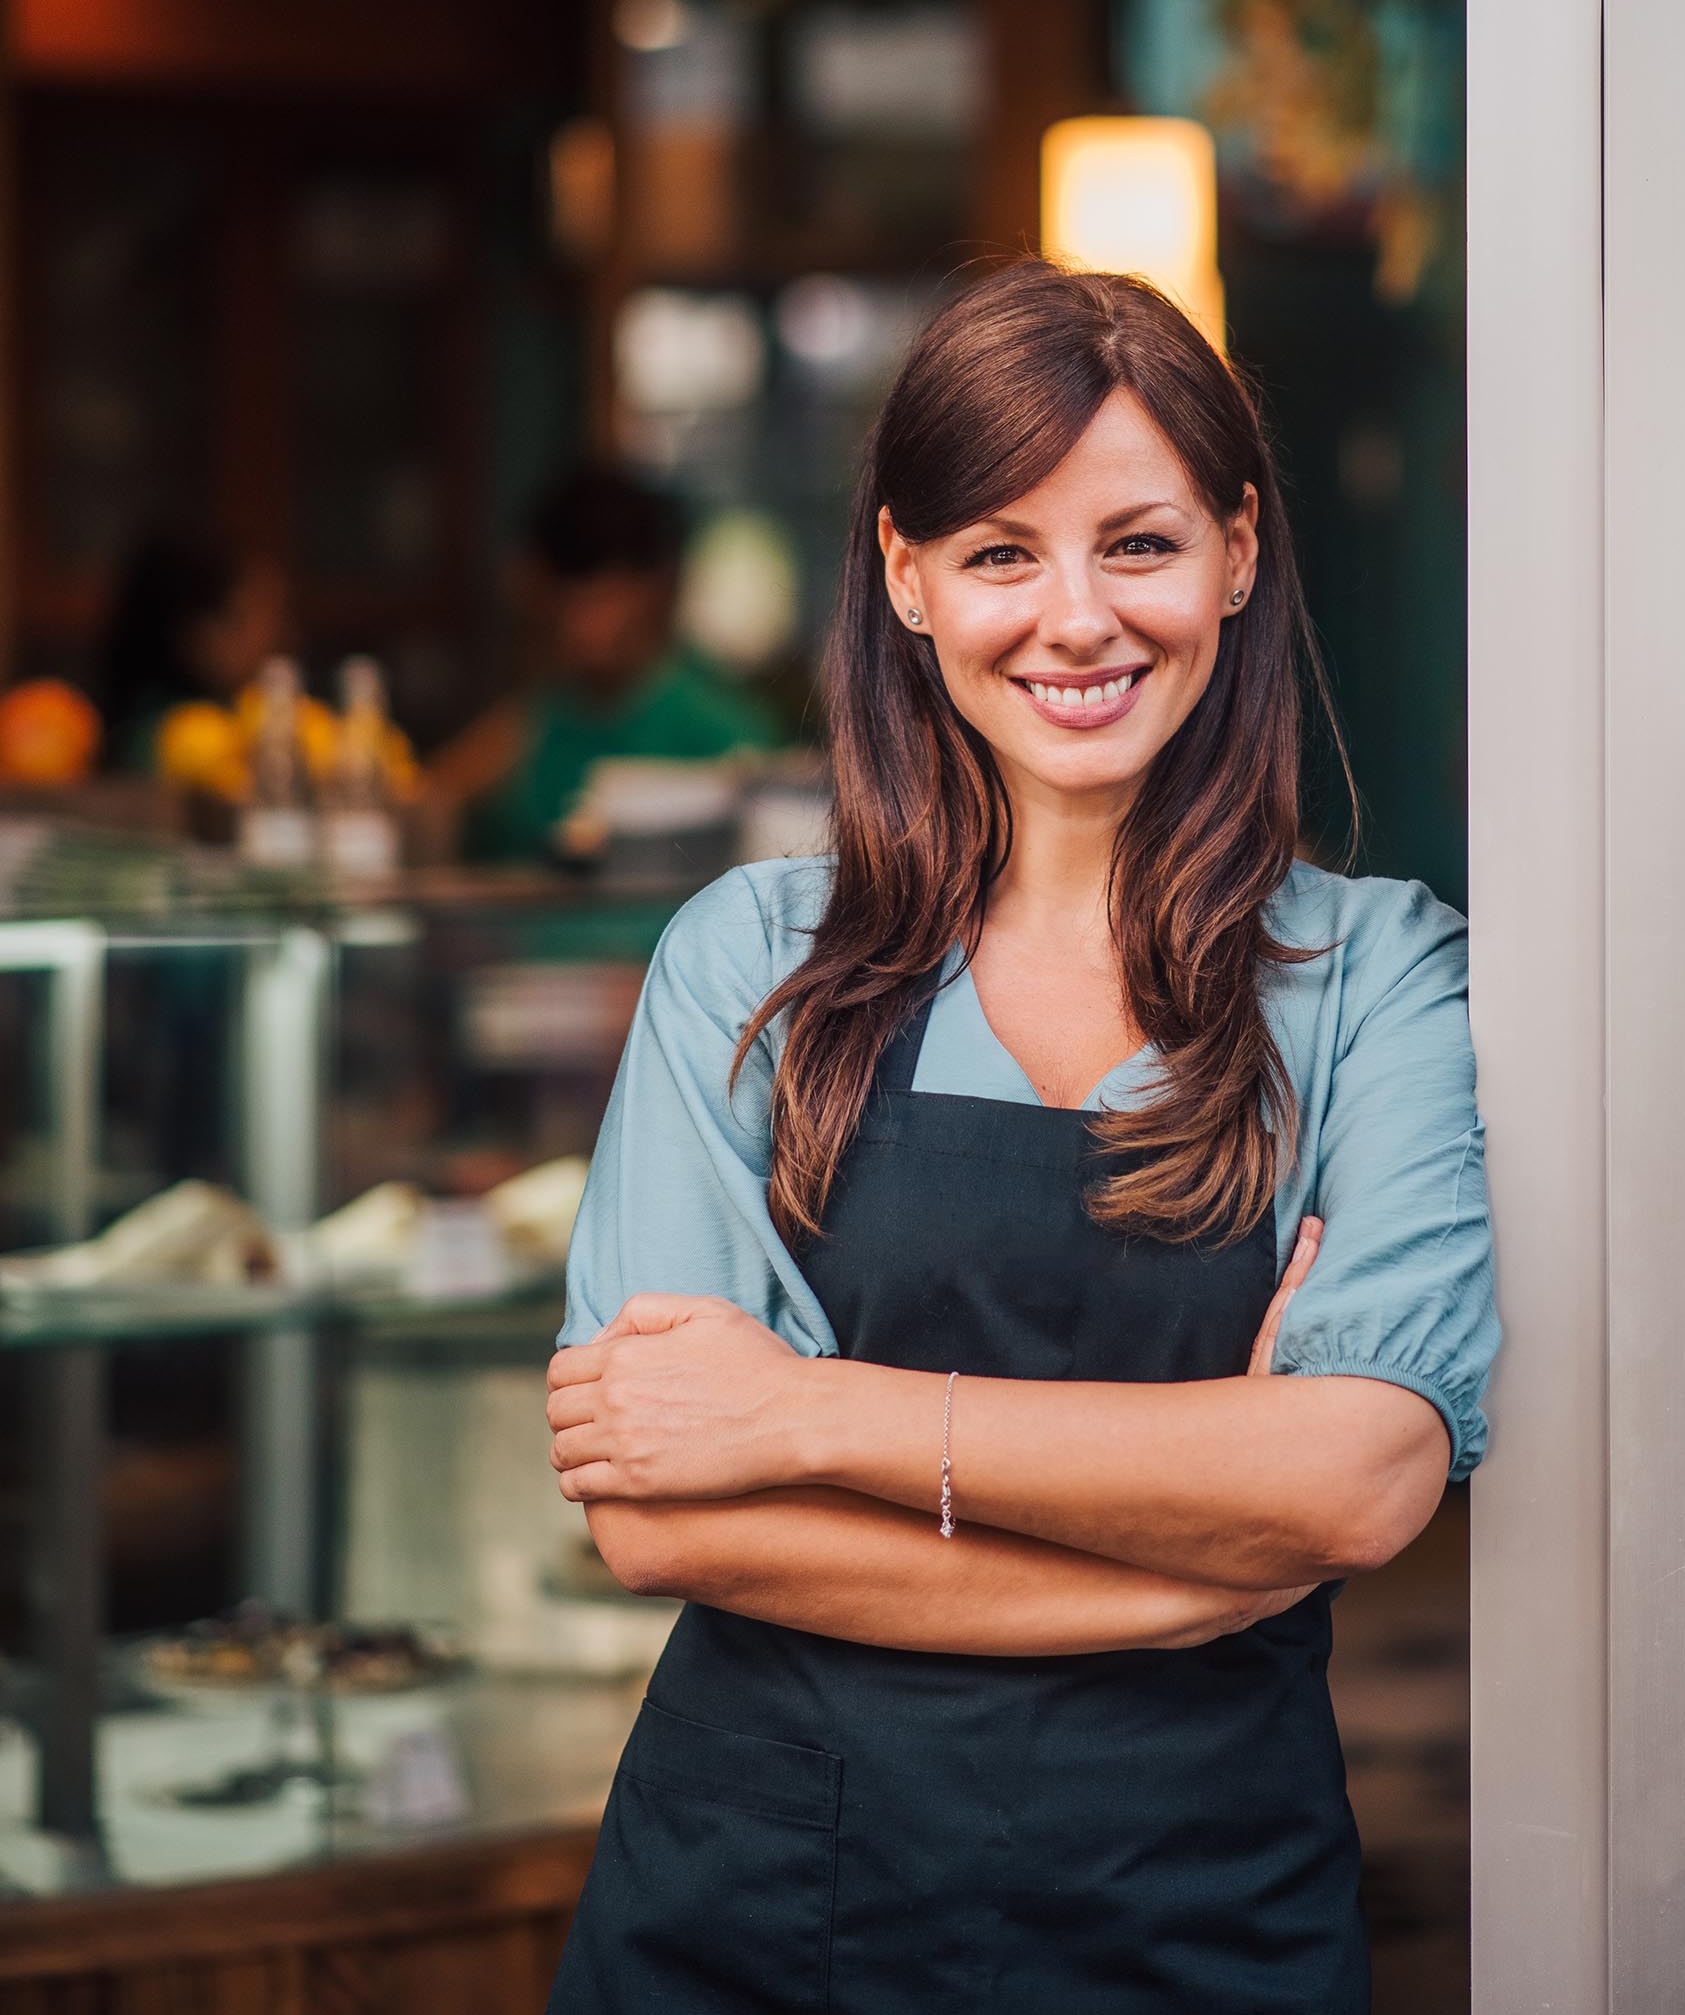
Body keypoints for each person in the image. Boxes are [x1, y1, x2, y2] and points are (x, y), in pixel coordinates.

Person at [540, 257, 1501, 2012]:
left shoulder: (1378, 976)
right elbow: (668, 1524)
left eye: (1136, 542)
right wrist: (1195, 1568)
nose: (1076, 619)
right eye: (1001, 551)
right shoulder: (751, 959)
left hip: (1200, 1910)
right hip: (763, 1904)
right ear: (907, 577)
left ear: (1238, 549)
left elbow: (1362, 1474)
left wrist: (805, 1412)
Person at [428, 463, 786, 860]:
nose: (590, 622)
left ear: (660, 589)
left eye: (606, 595)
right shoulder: (528, 725)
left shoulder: (727, 736)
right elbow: (430, 799)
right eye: (573, 596)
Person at [99, 529, 289, 770]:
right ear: (199, 632)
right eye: (260, 614)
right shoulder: (158, 738)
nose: (278, 634)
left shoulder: (252, 712)